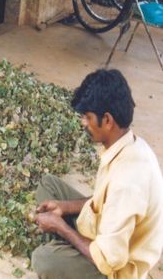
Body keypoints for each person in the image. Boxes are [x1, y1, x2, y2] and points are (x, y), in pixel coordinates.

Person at [32, 69, 163, 279]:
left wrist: (61, 228)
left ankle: (66, 252)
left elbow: (108, 260)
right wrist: (64, 207)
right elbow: (104, 200)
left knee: (43, 259)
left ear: (108, 121)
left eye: (88, 117)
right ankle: (69, 252)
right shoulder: (127, 145)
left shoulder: (127, 181)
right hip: (104, 233)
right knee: (49, 185)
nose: (83, 122)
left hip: (116, 269)